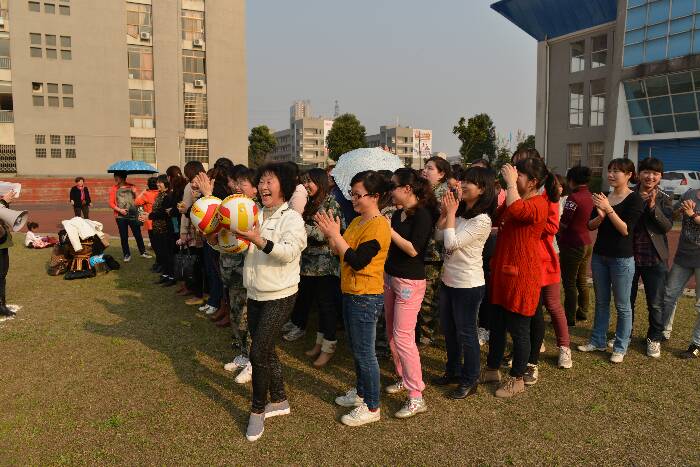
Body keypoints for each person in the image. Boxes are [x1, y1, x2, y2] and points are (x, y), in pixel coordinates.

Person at [231, 163, 307, 442]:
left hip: (281, 294)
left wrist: (258, 239)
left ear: (283, 186)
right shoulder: (255, 213)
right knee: (266, 349)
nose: (263, 186)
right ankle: (280, 400)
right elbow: (240, 244)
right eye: (261, 181)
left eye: (269, 181)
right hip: (256, 292)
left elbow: (287, 253)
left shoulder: (293, 219)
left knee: (258, 352)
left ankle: (257, 410)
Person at [315, 170, 392, 427]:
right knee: (357, 350)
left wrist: (336, 236)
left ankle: (372, 406)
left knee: (365, 353)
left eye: (358, 195)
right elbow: (341, 251)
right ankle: (360, 394)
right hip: (350, 291)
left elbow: (358, 261)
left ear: (376, 196)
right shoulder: (359, 222)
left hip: (366, 295)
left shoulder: (379, 225)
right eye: (352, 194)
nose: (354, 199)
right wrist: (331, 234)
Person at [480, 158, 552, 398]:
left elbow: (517, 210)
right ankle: (492, 368)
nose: (514, 178)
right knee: (497, 324)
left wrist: (511, 186)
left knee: (519, 330)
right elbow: (498, 214)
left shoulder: (540, 204)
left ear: (532, 182)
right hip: (502, 271)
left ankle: (517, 378)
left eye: (519, 175)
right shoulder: (515, 198)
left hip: (522, 275)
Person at [434, 167, 495, 399]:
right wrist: (445, 213)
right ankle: (453, 371)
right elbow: (439, 237)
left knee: (466, 334)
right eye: (464, 180)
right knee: (449, 331)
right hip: (449, 281)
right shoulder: (461, 214)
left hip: (468, 285)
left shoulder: (482, 221)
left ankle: (470, 379)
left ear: (482, 190)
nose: (464, 184)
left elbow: (451, 244)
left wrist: (450, 214)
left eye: (471, 182)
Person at [382, 168, 436, 418]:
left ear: (407, 188)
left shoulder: (422, 215)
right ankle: (403, 377)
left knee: (403, 337)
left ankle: (417, 395)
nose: (390, 191)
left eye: (393, 186)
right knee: (392, 333)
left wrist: (388, 230)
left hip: (410, 282)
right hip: (391, 277)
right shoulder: (397, 214)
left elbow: (414, 250)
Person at [578, 159, 644, 364]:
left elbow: (625, 230)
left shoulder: (635, 199)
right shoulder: (603, 196)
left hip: (622, 259)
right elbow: (590, 226)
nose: (612, 174)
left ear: (629, 175)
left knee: (623, 305)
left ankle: (620, 346)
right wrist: (600, 216)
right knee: (601, 302)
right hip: (600, 256)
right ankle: (597, 340)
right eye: (610, 171)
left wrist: (609, 210)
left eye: (617, 171)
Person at [282, 169, 344, 366]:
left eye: (310, 182)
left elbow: (323, 234)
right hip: (308, 263)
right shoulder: (308, 202)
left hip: (325, 265)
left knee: (327, 307)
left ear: (321, 182)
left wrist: (298, 222)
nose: (306, 186)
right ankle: (319, 343)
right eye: (304, 182)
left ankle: (329, 347)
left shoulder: (331, 203)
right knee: (317, 304)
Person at [524, 175, 572, 385]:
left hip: (547, 258)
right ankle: (536, 345)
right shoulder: (523, 194)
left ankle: (564, 347)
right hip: (528, 260)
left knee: (552, 303)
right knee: (530, 307)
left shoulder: (548, 198)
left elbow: (550, 228)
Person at [630, 158, 673, 359]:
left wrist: (653, 206)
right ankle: (625, 334)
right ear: (639, 174)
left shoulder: (665, 197)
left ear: (660, 176)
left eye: (655, 173)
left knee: (655, 302)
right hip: (628, 254)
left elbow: (666, 226)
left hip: (654, 256)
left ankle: (654, 338)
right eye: (646, 172)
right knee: (626, 300)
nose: (650, 177)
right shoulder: (628, 193)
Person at [660, 182, 700, 359]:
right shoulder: (690, 194)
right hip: (683, 256)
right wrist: (681, 211)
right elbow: (673, 215)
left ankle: (696, 344)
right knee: (669, 294)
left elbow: (694, 217)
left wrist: (693, 215)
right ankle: (662, 331)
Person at [418, 156, 452, 346]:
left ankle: (428, 333)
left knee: (429, 295)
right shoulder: (425, 191)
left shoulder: (443, 194)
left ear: (441, 174)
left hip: (434, 251)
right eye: (425, 167)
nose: (425, 170)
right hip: (423, 248)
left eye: (430, 168)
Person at [558, 166, 594, 326]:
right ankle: (583, 311)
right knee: (582, 280)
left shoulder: (573, 198)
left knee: (569, 282)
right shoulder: (589, 195)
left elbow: (564, 223)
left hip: (572, 244)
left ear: (571, 180)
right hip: (586, 241)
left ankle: (569, 317)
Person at [178, 161, 207, 305]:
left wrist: (183, 232)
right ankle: (203, 292)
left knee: (196, 263)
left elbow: (185, 210)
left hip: (196, 231)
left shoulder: (190, 186)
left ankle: (198, 293)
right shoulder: (205, 183)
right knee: (202, 264)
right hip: (204, 231)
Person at [140, 174, 176, 286]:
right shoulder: (160, 195)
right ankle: (165, 274)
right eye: (157, 182)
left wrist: (149, 216)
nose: (157, 184)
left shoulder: (168, 196)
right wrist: (149, 214)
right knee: (161, 253)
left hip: (165, 229)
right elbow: (157, 211)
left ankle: (171, 276)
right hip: (157, 228)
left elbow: (164, 214)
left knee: (167, 254)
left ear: (166, 183)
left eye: (160, 182)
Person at [109, 172, 151, 262]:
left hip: (133, 214)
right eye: (115, 176)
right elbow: (111, 203)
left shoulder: (132, 186)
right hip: (120, 216)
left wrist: (136, 193)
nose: (115, 178)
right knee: (123, 236)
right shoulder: (114, 188)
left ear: (122, 177)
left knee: (137, 234)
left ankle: (143, 252)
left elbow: (138, 201)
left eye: (117, 177)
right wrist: (120, 210)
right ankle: (126, 254)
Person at [136, 177, 160, 272]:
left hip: (150, 222)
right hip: (161, 222)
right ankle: (160, 262)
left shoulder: (146, 194)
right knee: (160, 244)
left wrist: (143, 192)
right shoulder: (161, 194)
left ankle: (158, 262)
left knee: (155, 244)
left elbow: (137, 202)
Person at [0, 189, 17, 317]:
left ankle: (1, 304)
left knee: (2, 274)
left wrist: (5, 203)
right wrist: (3, 202)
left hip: (2, 241)